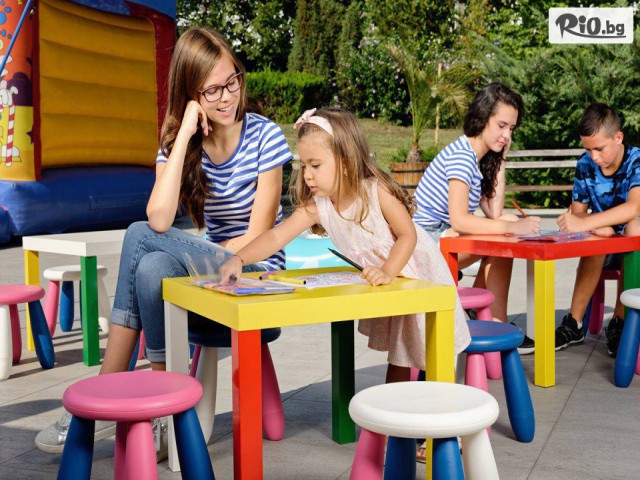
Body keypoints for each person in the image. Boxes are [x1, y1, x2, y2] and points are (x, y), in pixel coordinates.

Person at [35, 27, 293, 453]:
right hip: (210, 277)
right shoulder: (180, 142)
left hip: (256, 275)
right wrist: (185, 133)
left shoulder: (265, 136)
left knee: (138, 236)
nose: (227, 97)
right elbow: (160, 216)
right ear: (191, 94)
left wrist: (199, 255)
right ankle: (161, 407)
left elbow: (259, 235)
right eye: (212, 90)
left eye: (232, 81)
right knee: (152, 265)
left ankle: (103, 390)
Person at [219, 106, 471, 382]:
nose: (307, 175)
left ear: (346, 162)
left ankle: (443, 405)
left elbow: (407, 235)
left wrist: (388, 270)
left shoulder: (375, 191)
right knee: (400, 350)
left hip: (420, 274)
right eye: (304, 166)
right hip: (391, 282)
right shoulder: (320, 205)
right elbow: (277, 236)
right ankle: (393, 406)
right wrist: (239, 258)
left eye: (315, 165)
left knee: (434, 350)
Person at [413, 82, 540, 354]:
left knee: (505, 226)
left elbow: (494, 212)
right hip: (424, 244)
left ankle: (489, 317)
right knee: (505, 232)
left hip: (444, 239)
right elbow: (459, 220)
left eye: (511, 129)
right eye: (501, 125)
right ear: (482, 118)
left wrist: (501, 160)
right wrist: (513, 226)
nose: (507, 135)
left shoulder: (477, 158)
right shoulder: (461, 156)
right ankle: (496, 321)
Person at [554, 103, 640, 355]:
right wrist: (581, 221)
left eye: (599, 149)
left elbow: (635, 207)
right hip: (603, 247)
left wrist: (590, 222)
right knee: (597, 236)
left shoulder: (636, 160)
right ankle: (574, 322)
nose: (593, 157)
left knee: (634, 228)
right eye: (588, 149)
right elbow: (578, 213)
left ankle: (620, 321)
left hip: (635, 251)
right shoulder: (585, 164)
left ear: (618, 137)